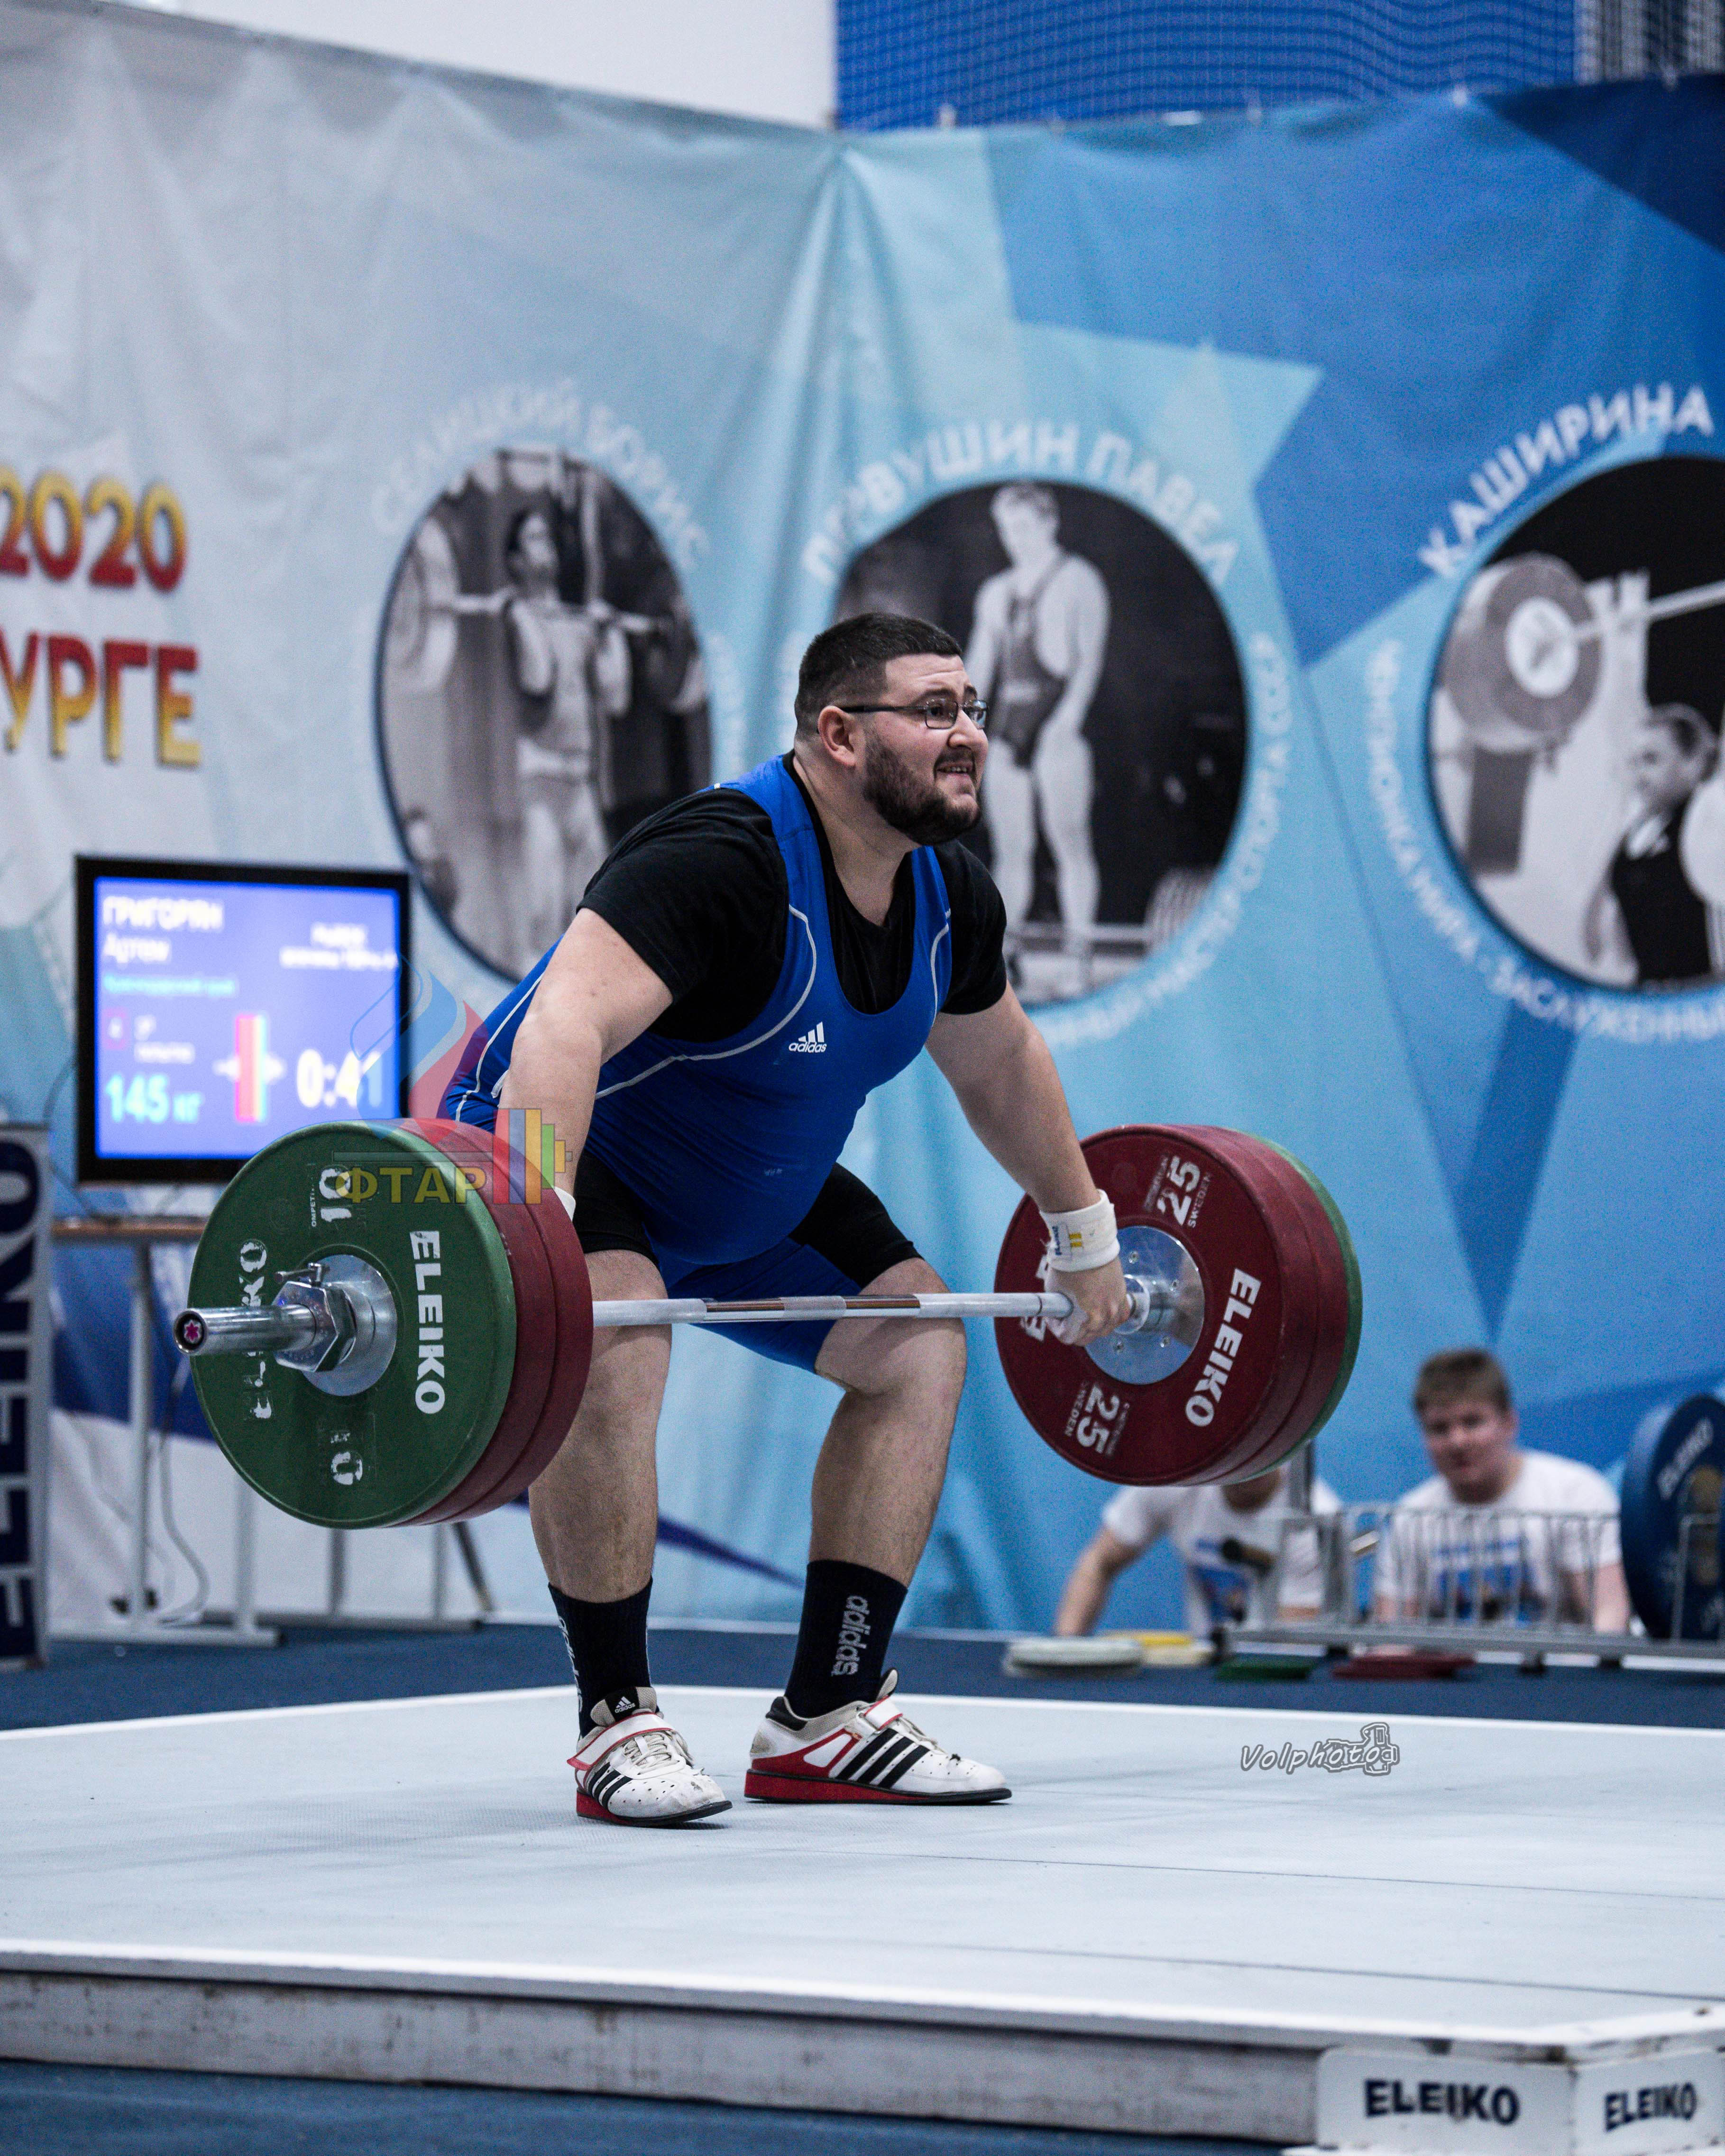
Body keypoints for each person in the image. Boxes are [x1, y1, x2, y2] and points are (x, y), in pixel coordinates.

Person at [442, 613, 1132, 1825]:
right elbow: (562, 1024)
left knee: (918, 1344)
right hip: (587, 1156)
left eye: (972, 708)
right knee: (616, 1329)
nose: (968, 734)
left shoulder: (947, 897)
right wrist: (537, 1222)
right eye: (933, 709)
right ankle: (617, 1718)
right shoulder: (722, 859)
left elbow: (999, 1064)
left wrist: (1083, 1234)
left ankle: (827, 1713)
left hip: (753, 1185)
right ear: (839, 734)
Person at [965, 485, 1109, 992]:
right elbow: (978, 672)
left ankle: (1079, 956)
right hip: (1010, 726)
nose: (1015, 539)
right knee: (1010, 850)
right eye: (1007, 529)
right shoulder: (995, 592)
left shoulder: (1079, 580)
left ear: (1050, 523)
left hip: (1058, 722)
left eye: (1024, 527)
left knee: (1069, 840)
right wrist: (967, 726)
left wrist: (1066, 722)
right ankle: (1005, 956)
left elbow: (1088, 662)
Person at [1373, 1349, 1629, 1630]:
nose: (1457, 1442)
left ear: (1509, 1423)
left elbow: (1609, 1616)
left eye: (1472, 1422)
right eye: (1439, 1429)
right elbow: (1393, 1637)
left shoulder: (1575, 1494)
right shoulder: (1409, 1518)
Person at [504, 505, 626, 964]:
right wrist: (521, 617)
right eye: (533, 539)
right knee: (545, 919)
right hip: (541, 784)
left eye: (547, 538)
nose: (546, 548)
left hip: (580, 784)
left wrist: (611, 637)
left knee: (599, 922)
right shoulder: (518, 619)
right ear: (516, 560)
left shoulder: (578, 622)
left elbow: (615, 698)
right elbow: (538, 678)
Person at [1053, 1466, 1341, 1638]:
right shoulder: (1178, 1480)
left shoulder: (1317, 1522)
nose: (1249, 1461)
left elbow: (1287, 1646)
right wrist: (1065, 1651)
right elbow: (1098, 1564)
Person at [1584, 703, 1725, 986]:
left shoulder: (1710, 826)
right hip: (1649, 996)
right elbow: (1597, 941)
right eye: (1634, 762)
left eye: (1651, 760)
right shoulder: (1634, 834)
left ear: (1693, 763)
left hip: (1701, 998)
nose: (1639, 774)